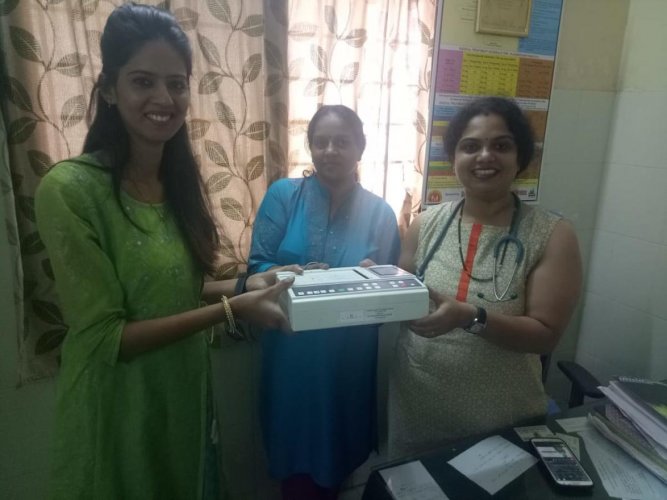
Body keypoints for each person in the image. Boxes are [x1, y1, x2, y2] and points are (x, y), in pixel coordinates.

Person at [34, 4, 296, 499]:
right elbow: (107, 337)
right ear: (110, 89)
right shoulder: (69, 190)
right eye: (143, 81)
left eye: (177, 84)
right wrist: (231, 308)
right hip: (118, 406)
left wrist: (244, 283)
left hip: (182, 395)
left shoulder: (173, 182)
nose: (164, 98)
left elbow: (166, 289)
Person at [387, 97, 582, 457]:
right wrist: (373, 283)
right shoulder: (426, 223)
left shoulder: (552, 234)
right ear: (454, 158)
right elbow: (403, 298)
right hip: (418, 410)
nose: (485, 156)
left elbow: (545, 336)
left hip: (502, 422)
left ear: (521, 158)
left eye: (501, 146)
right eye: (470, 146)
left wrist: (471, 317)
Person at [248, 105, 401, 499]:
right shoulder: (284, 196)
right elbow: (258, 265)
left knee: (339, 460)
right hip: (292, 355)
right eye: (321, 142)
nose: (330, 150)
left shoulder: (381, 213)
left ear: (360, 148)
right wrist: (291, 272)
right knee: (296, 467)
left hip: (349, 357)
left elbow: (392, 290)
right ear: (311, 147)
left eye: (342, 142)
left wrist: (374, 275)